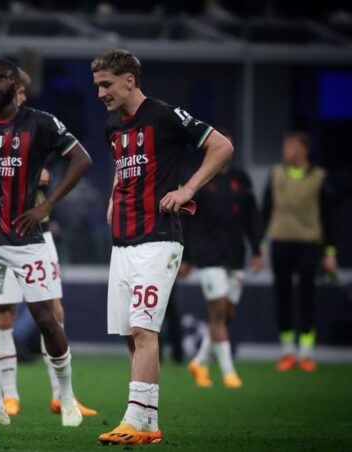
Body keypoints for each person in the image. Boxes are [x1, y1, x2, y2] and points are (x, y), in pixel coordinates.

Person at [91, 49, 233, 445]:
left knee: (143, 328)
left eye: (107, 85)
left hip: (158, 238)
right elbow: (123, 166)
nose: (101, 93)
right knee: (129, 334)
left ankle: (134, 419)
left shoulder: (166, 116)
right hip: (122, 241)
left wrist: (187, 188)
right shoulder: (111, 127)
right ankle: (148, 423)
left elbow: (221, 146)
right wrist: (112, 198)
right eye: (98, 86)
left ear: (130, 80)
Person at [0, 60, 92, 428]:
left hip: (28, 241)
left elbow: (82, 159)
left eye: (0, 77)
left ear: (16, 83)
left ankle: (66, 398)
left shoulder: (41, 122)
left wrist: (47, 205)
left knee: (47, 319)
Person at [0, 67, 97, 419]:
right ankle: (8, 395)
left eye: (20, 90)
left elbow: (67, 161)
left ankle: (60, 395)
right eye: (17, 89)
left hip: (36, 232)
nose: (19, 95)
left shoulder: (36, 124)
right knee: (2, 313)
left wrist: (44, 193)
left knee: (52, 311)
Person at [182, 133, 264, 388]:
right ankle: (229, 372)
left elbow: (252, 218)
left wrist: (258, 249)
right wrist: (185, 257)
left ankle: (200, 362)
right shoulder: (199, 181)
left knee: (227, 315)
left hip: (235, 256)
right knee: (217, 313)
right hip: (208, 257)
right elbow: (186, 221)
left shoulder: (241, 180)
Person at [262, 131, 337, 372]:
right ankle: (287, 351)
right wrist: (260, 246)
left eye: (292, 146)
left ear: (304, 149)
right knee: (282, 296)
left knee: (307, 297)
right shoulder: (275, 174)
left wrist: (330, 252)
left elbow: (329, 218)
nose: (287, 150)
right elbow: (265, 211)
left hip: (309, 243)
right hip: (281, 242)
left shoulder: (319, 177)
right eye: (286, 146)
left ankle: (306, 352)